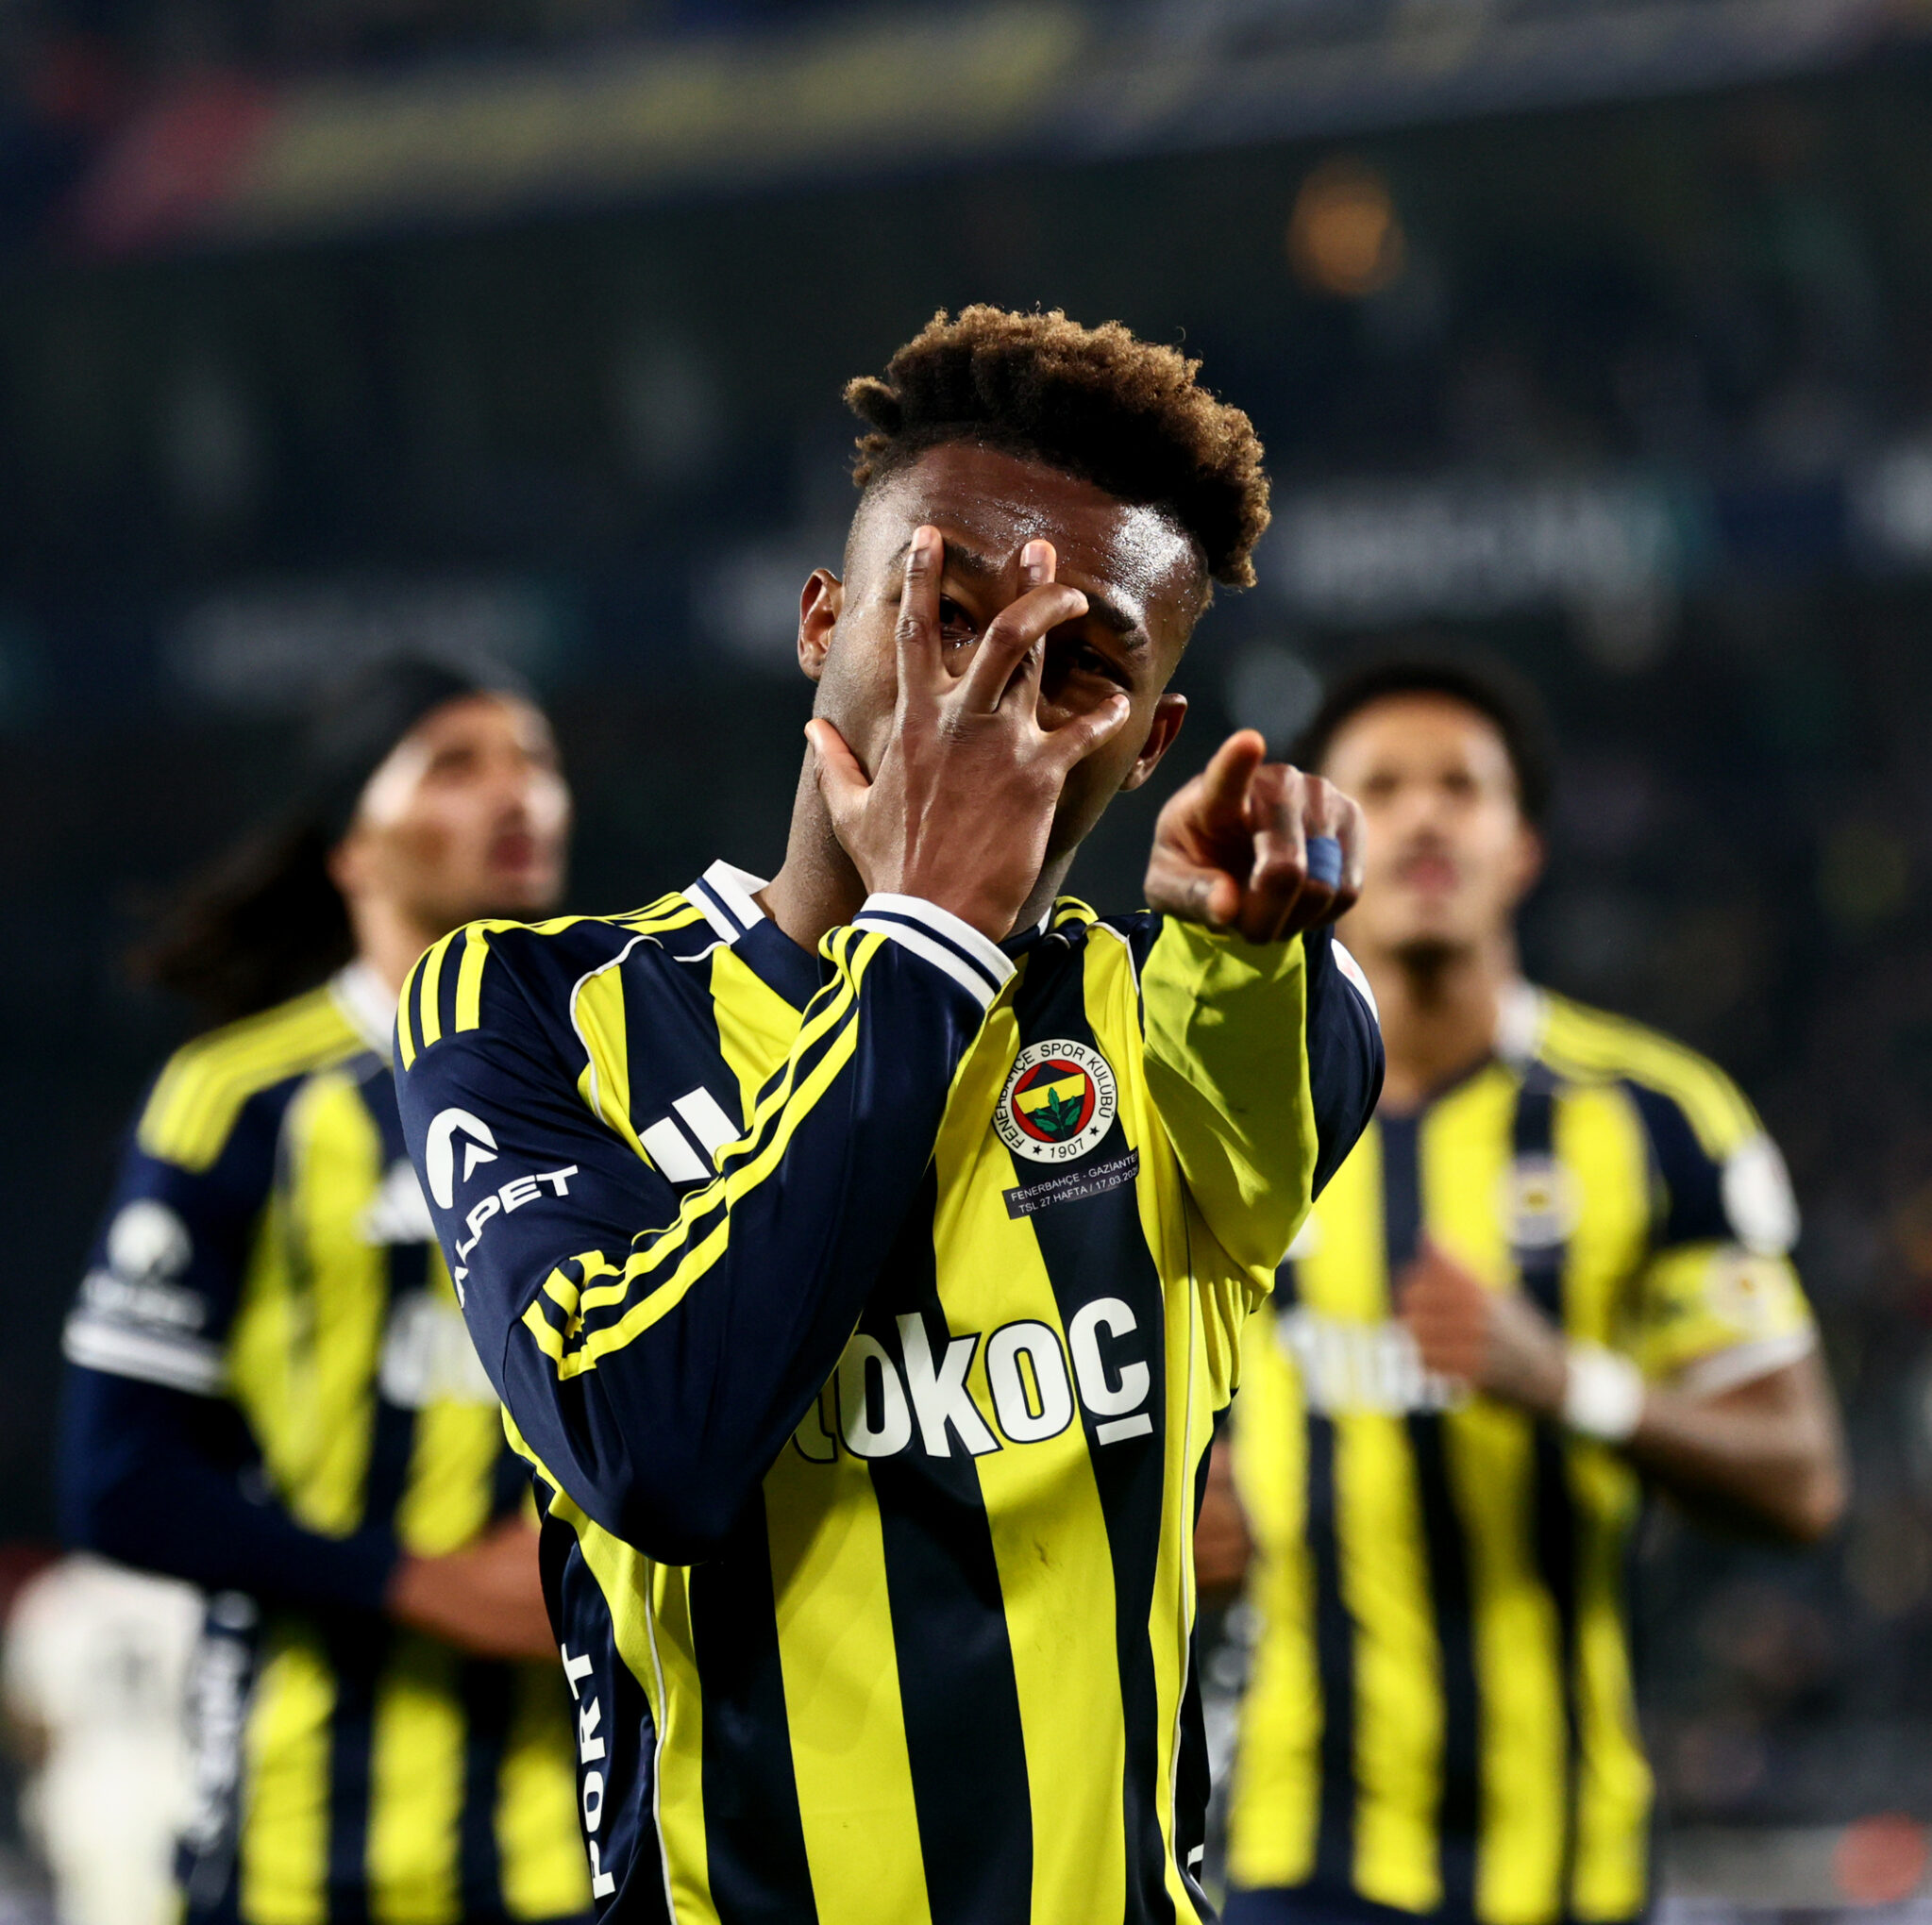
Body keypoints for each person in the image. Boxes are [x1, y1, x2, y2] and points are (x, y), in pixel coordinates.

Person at [392, 305, 1386, 1923]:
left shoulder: (1179, 1015)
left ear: (1153, 744)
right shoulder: (525, 1007)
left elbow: (1283, 1050)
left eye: (1083, 665)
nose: (992, 695)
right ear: (820, 620)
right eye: (946, 613)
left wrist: (1252, 941)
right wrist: (925, 933)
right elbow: (652, 1446)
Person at [1207, 648, 1847, 1925]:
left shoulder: (1653, 1118)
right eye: (1383, 787)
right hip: (1296, 1856)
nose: (1423, 816)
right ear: (1321, 846)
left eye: (1462, 787)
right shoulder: (1223, 1115)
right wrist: (1178, 1527)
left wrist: (1572, 1387)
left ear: (1523, 850)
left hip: (1567, 1863)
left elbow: (1801, 1480)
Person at [59, 656, 592, 1925]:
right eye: (454, 764)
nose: (516, 794)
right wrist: (428, 1582)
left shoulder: (626, 1082)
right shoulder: (241, 1102)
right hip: (298, 1844)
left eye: (533, 760)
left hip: (578, 1848)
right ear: (353, 847)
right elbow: (121, 1478)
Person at [3, 1552, 203, 1925]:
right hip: (180, 1789)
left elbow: (29, 1721)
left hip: (88, 1796)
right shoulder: (183, 1589)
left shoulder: (55, 1596)